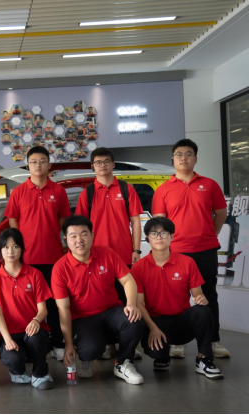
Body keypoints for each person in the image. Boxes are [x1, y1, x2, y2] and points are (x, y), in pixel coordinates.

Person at [152, 139, 230, 359]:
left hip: (205, 250)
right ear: (173, 159)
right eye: (179, 154)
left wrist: (210, 234)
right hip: (175, 252)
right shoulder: (163, 189)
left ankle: (213, 340)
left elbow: (221, 213)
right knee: (176, 298)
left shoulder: (210, 185)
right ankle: (178, 342)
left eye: (188, 154)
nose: (183, 158)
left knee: (208, 295)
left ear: (195, 158)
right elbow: (160, 223)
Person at [53, 216, 145, 385]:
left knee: (134, 319)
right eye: (73, 236)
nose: (79, 240)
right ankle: (86, 357)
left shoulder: (107, 253)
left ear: (92, 235)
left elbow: (128, 280)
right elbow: (63, 309)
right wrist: (68, 344)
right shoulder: (60, 268)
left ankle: (123, 362)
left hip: (111, 311)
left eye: (84, 234)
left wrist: (131, 304)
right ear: (65, 239)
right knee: (90, 349)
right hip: (84, 318)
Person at [132, 218, 224, 380]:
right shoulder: (139, 267)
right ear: (147, 238)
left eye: (163, 233)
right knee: (157, 352)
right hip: (156, 322)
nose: (159, 237)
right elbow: (139, 303)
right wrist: (152, 328)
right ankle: (162, 356)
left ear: (172, 236)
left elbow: (198, 294)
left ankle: (204, 359)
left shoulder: (187, 262)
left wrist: (200, 299)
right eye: (154, 233)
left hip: (181, 321)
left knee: (203, 311)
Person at [75, 148, 144, 360]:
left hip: (123, 255)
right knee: (103, 303)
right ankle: (107, 344)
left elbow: (135, 221)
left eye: (106, 161)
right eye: (98, 162)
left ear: (113, 164)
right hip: (95, 259)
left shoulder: (126, 189)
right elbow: (80, 227)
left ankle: (127, 344)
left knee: (125, 301)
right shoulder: (87, 193)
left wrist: (136, 249)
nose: (102, 165)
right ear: (93, 166)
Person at [4, 146, 71, 362]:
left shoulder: (58, 191)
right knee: (31, 304)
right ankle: (33, 344)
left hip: (53, 257)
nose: (38, 165)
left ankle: (58, 343)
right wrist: (20, 247)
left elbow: (63, 219)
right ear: (28, 166)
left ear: (49, 165)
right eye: (33, 162)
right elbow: (13, 220)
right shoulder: (18, 192)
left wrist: (51, 233)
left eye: (42, 161)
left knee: (54, 304)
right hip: (28, 259)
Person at [0, 229, 54, 390]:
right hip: (10, 334)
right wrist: (7, 339)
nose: (10, 251)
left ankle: (41, 373)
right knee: (13, 358)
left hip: (34, 331)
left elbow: (43, 309)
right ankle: (17, 371)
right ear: (0, 250)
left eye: (15, 246)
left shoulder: (35, 274)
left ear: (22, 249)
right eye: (6, 247)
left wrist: (36, 320)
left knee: (35, 338)